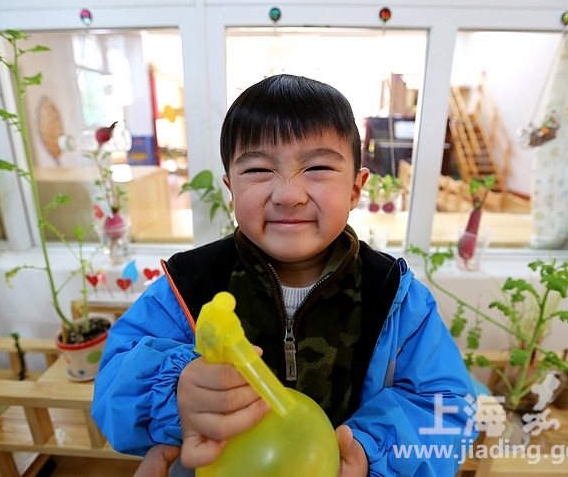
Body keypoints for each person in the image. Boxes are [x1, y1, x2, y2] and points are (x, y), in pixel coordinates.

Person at [92, 74, 476, 476]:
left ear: (355, 189)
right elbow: (113, 386)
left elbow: (446, 407)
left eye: (319, 167)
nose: (288, 195)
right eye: (258, 170)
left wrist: (369, 451)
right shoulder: (187, 286)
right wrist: (177, 395)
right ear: (231, 189)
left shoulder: (396, 296)